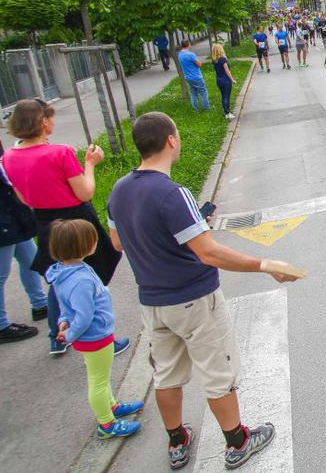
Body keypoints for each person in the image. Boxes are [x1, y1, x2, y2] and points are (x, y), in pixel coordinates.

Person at [107, 112, 302, 470]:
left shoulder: (118, 190)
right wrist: (265, 265)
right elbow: (209, 253)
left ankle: (177, 441)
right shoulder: (173, 194)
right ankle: (237, 442)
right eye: (177, 134)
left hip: (152, 302)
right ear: (170, 140)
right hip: (193, 299)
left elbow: (118, 242)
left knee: (166, 375)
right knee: (217, 373)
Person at [2, 99, 125, 355]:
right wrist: (90, 163)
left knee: (60, 276)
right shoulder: (60, 152)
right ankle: (99, 337)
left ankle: (58, 336)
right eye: (50, 118)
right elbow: (85, 192)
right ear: (43, 122)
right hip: (76, 219)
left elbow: (23, 198)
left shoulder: (9, 157)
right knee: (92, 274)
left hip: (45, 222)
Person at [46, 219, 144, 439]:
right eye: (93, 240)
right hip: (95, 337)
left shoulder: (64, 272)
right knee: (98, 381)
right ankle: (106, 424)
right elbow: (83, 316)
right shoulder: (80, 280)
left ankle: (111, 406)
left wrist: (64, 321)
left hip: (92, 336)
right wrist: (70, 334)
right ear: (82, 246)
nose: (96, 242)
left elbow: (65, 305)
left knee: (101, 376)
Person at [0, 162, 46, 344]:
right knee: (1, 274)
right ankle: (1, 326)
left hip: (12, 212)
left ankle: (40, 304)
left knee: (31, 259)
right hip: (3, 220)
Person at [178, 41, 210, 111]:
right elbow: (199, 64)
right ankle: (206, 108)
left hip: (188, 77)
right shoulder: (190, 54)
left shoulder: (180, 54)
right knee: (203, 92)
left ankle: (195, 109)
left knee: (193, 93)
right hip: (196, 76)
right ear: (188, 44)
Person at [211, 43, 236, 120]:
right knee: (226, 97)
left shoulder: (214, 60)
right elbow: (227, 70)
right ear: (220, 50)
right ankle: (227, 113)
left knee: (223, 96)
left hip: (219, 80)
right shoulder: (223, 59)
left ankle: (226, 112)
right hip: (225, 80)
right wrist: (232, 79)